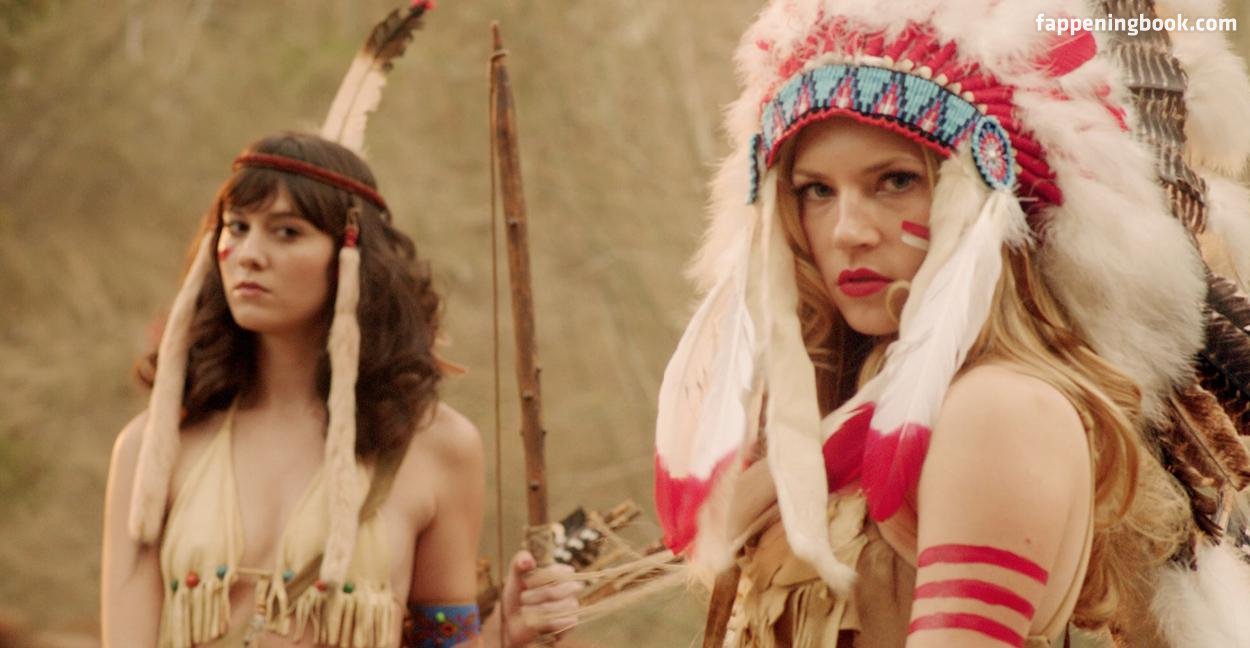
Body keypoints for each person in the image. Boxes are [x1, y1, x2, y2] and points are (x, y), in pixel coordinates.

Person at [653, 1, 1250, 646]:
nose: (848, 231)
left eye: (895, 181)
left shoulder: (997, 409)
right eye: (817, 191)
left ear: (989, 200)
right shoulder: (860, 414)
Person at [101, 132, 580, 648]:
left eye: (286, 232)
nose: (249, 254)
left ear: (352, 257)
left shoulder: (436, 447)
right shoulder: (154, 450)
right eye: (237, 227)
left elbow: (443, 644)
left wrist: (505, 634)